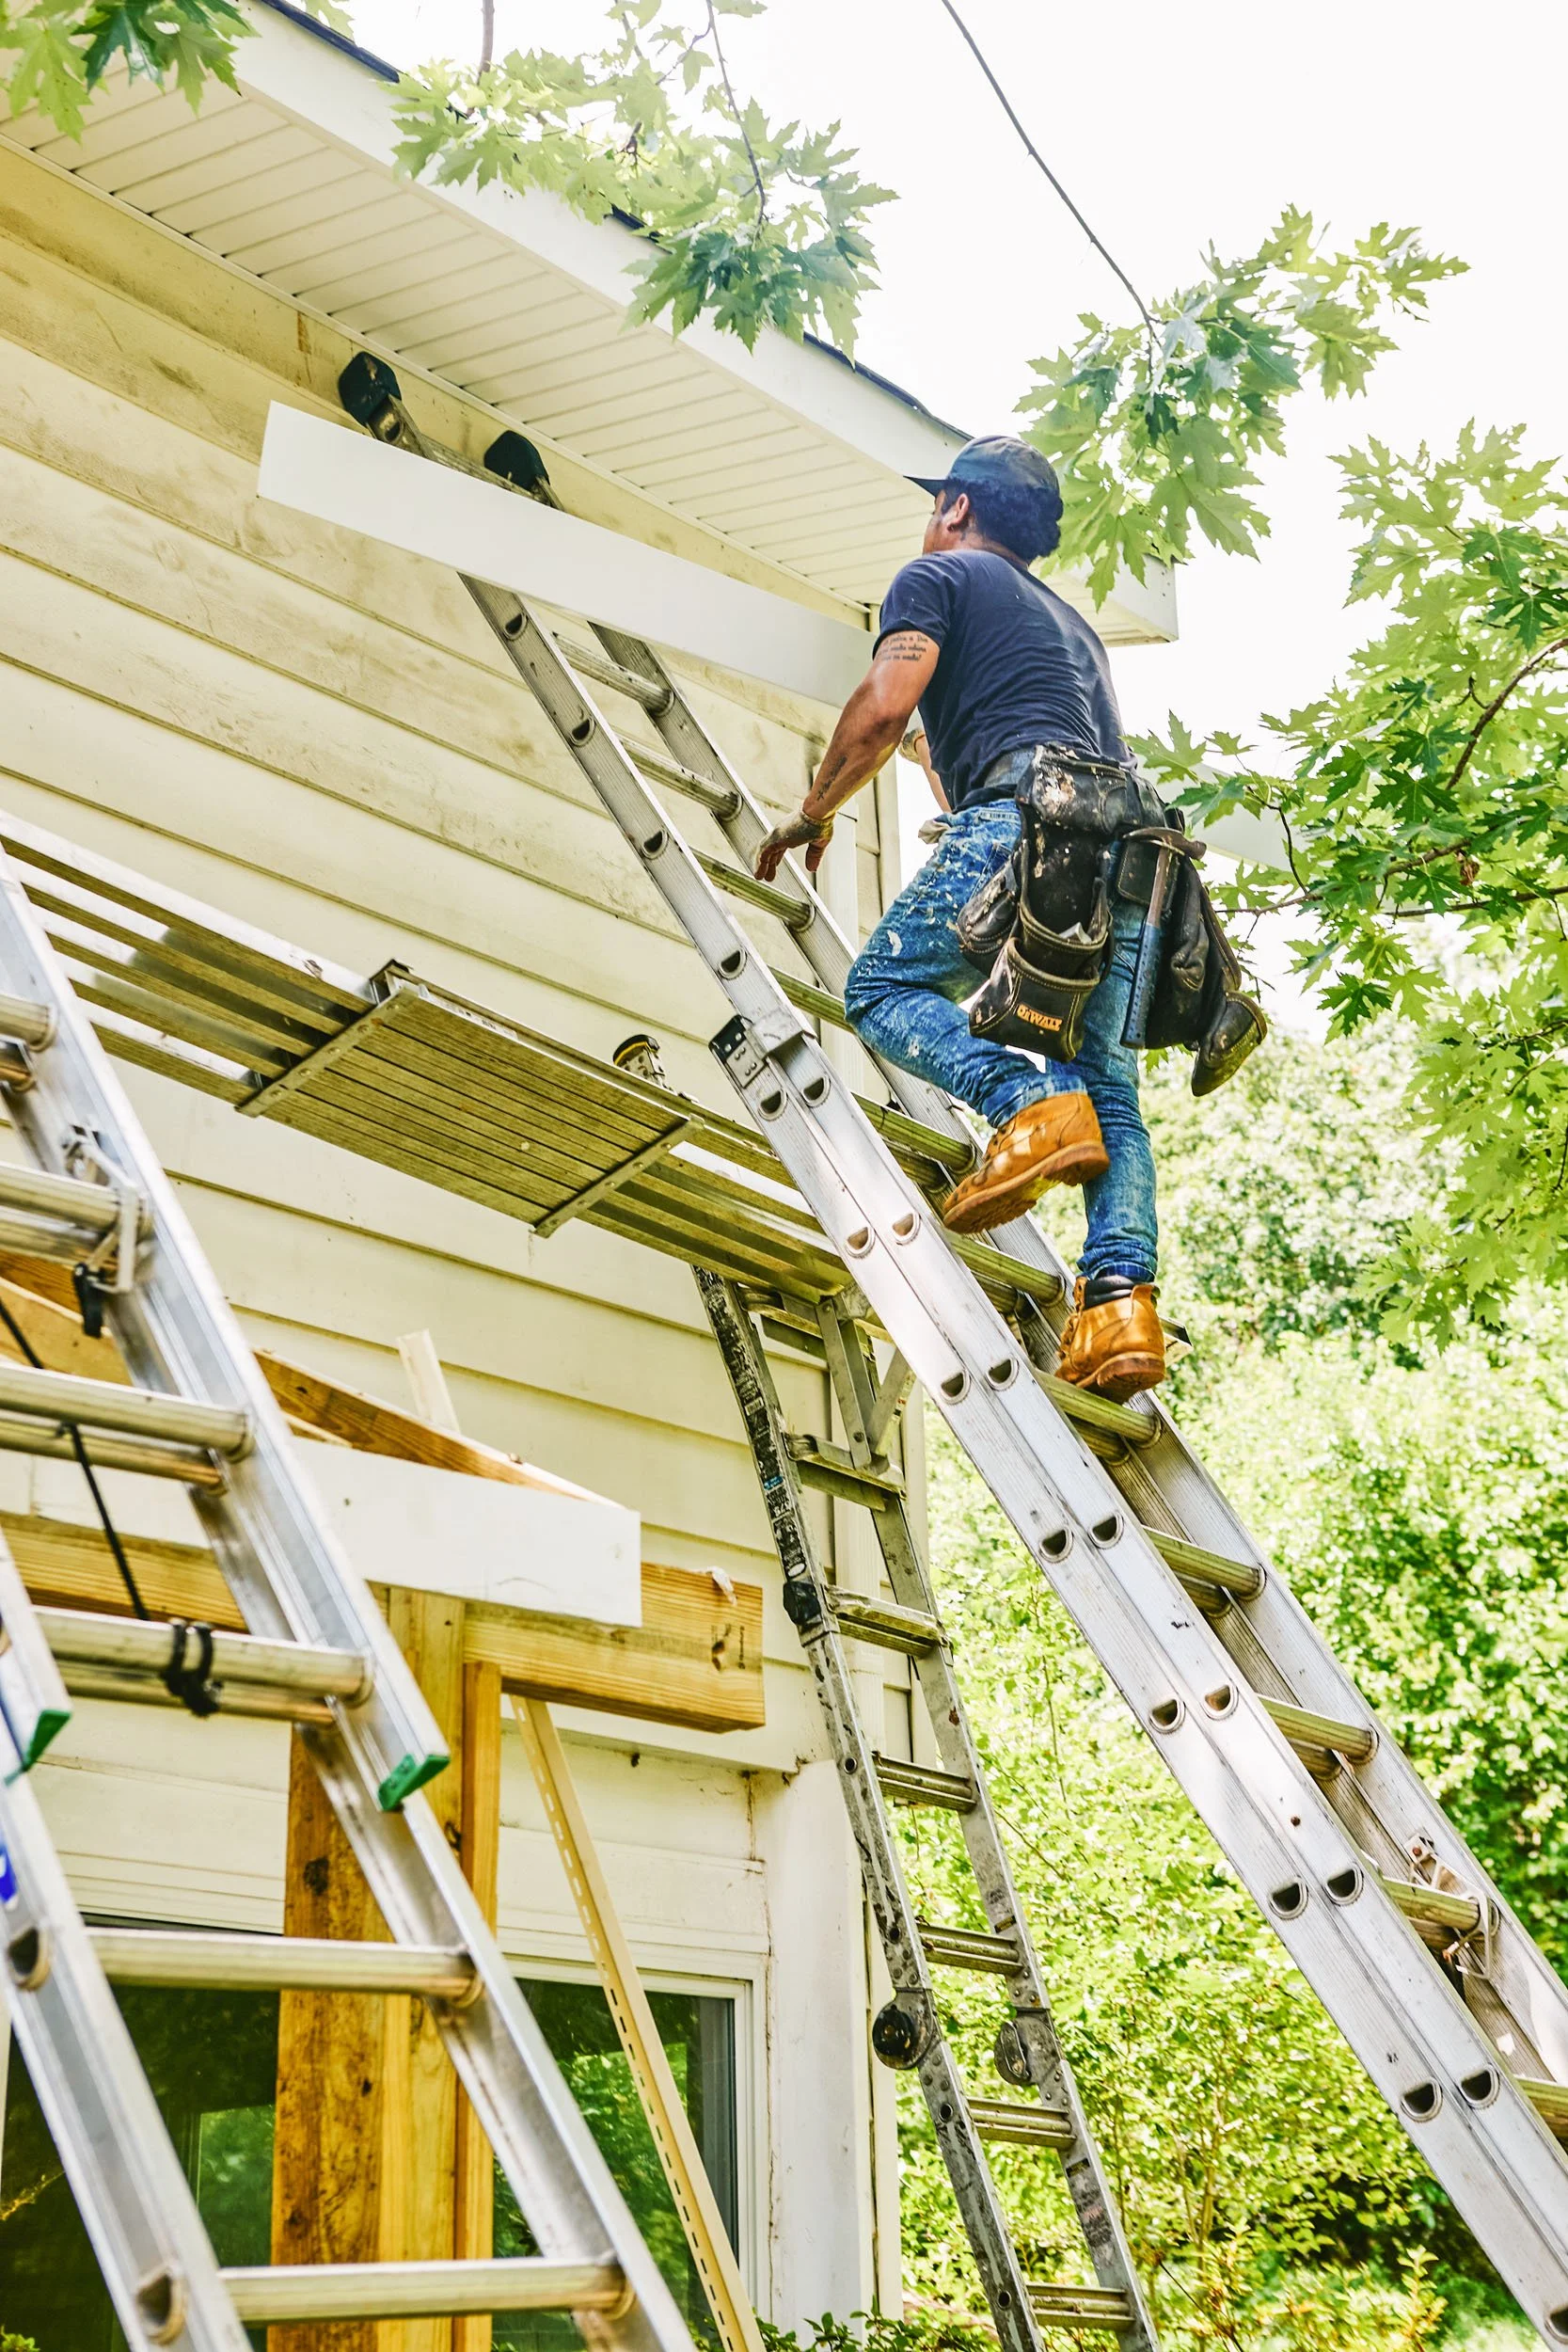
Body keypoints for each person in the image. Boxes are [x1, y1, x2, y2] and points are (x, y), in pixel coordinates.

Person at [752, 434, 1164, 1400]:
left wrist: (813, 811)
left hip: (1029, 814)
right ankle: (1116, 1308)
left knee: (883, 986)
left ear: (957, 509)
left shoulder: (933, 579)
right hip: (1137, 852)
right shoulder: (1074, 632)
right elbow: (950, 747)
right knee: (1106, 1082)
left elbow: (886, 705)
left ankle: (1023, 1110)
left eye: (933, 504)